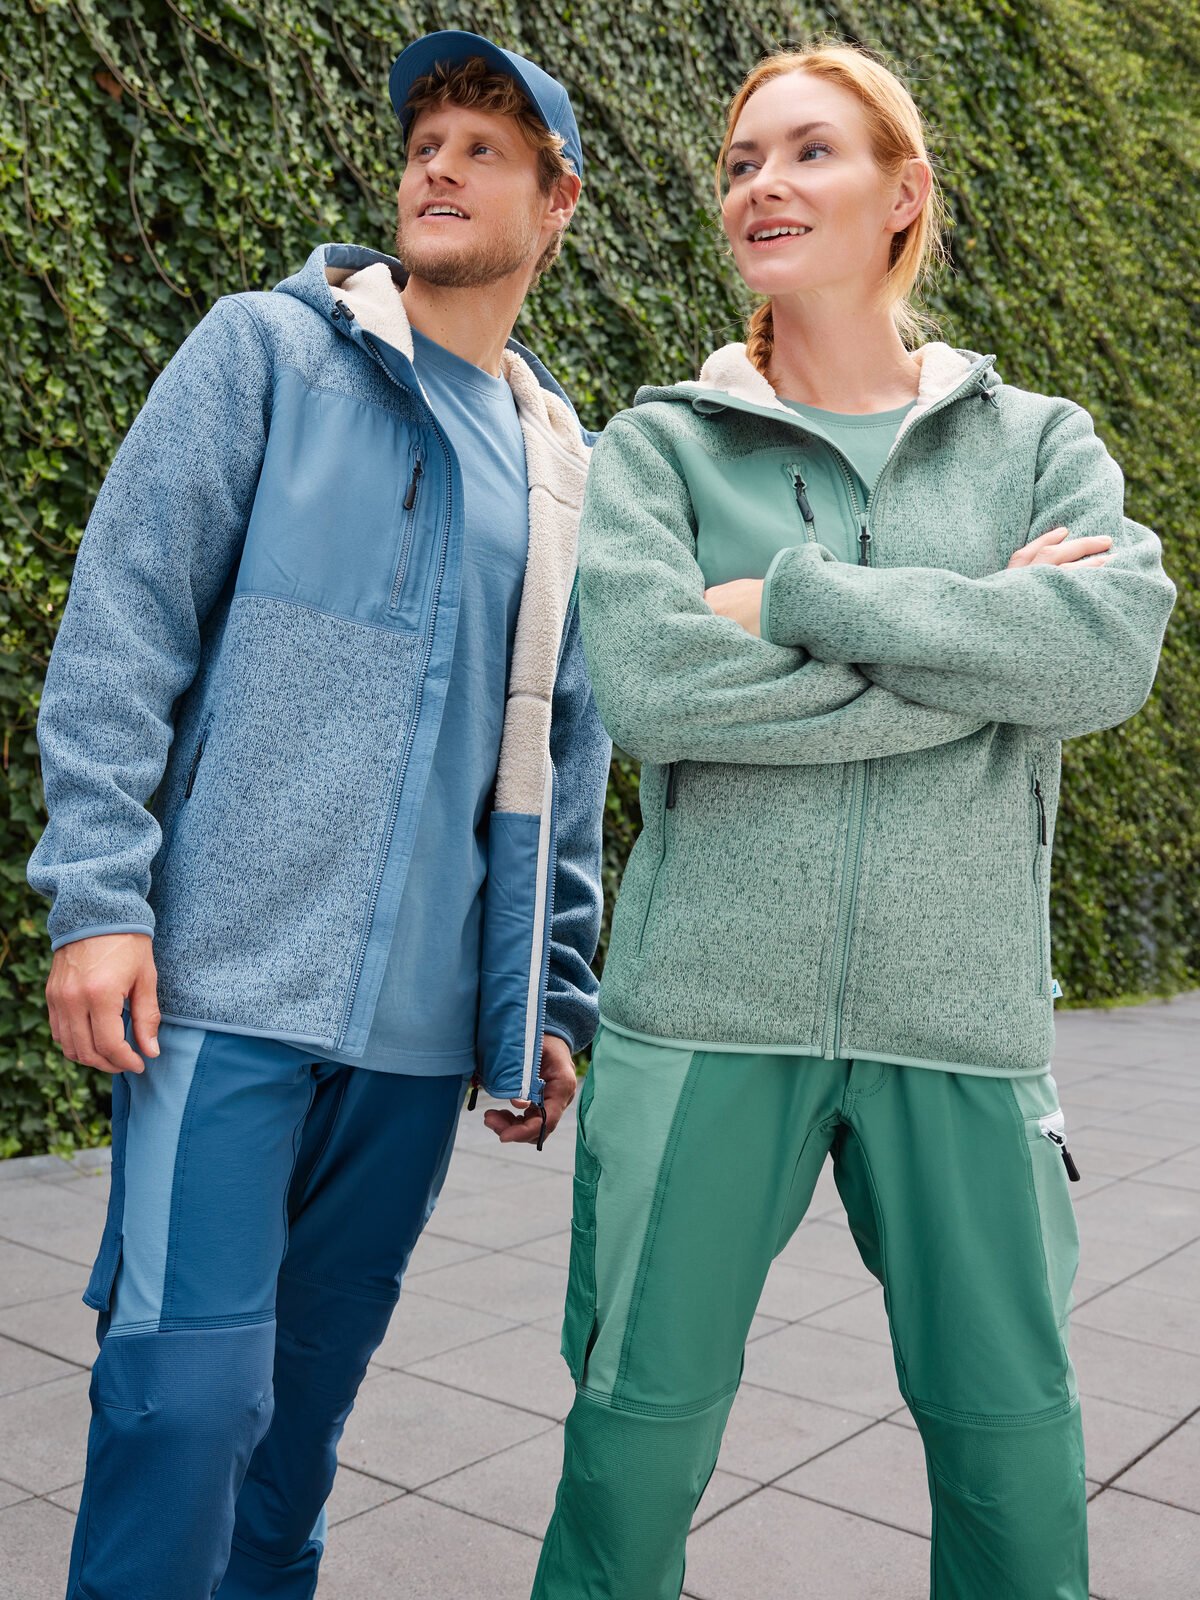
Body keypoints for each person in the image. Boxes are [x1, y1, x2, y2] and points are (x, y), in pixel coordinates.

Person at [531, 39, 1175, 1600]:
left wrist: (794, 601)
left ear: (904, 194)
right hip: (703, 1014)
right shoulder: (663, 445)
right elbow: (658, 688)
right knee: (631, 1445)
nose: (763, 183)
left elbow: (1105, 654)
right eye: (742, 160)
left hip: (961, 1019)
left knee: (1014, 1459)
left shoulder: (1038, 443)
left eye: (810, 151)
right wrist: (980, 648)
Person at [25, 30, 611, 1599]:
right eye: (426, 142)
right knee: (182, 1404)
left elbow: (568, 749)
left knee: (293, 1445)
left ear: (557, 200)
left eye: (484, 149)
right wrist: (101, 896)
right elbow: (124, 620)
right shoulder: (268, 353)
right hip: (223, 992)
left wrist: (549, 995)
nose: (439, 166)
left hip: (416, 1048)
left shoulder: (567, 467)